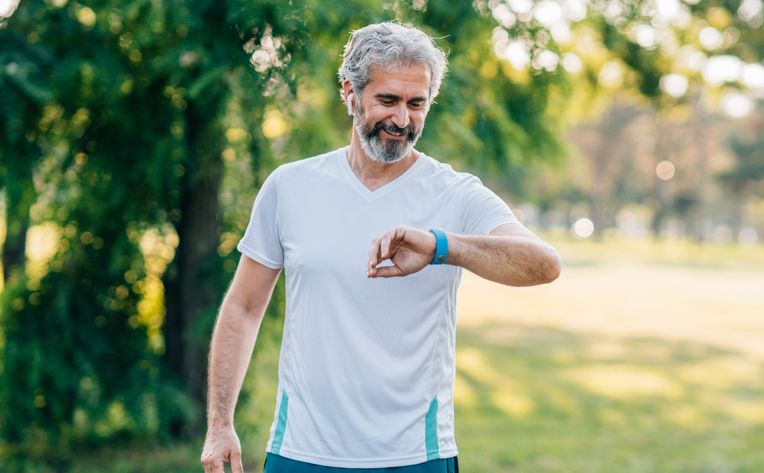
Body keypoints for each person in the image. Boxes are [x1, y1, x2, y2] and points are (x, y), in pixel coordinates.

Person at [200, 21, 561, 473]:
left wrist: (441, 246)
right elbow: (244, 307)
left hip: (416, 456)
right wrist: (219, 424)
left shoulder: (455, 193)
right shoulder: (288, 187)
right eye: (387, 100)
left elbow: (543, 265)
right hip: (300, 452)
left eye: (417, 103)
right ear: (350, 92)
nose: (402, 120)